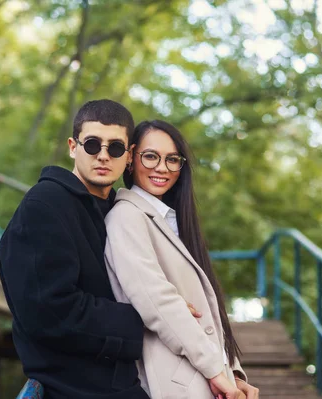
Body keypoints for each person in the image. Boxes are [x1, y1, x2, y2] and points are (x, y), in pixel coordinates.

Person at [0, 100, 151, 399]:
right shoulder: (44, 204)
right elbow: (50, 312)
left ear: (129, 155)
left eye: (115, 148)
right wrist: (148, 322)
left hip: (124, 380)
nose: (103, 156)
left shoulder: (120, 211)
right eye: (92, 145)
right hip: (69, 388)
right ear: (73, 147)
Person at [104, 120, 260, 399]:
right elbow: (157, 301)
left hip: (207, 375)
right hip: (177, 378)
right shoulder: (126, 217)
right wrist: (216, 371)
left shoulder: (173, 221)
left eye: (172, 159)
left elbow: (207, 308)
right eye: (150, 156)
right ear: (130, 158)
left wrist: (232, 373)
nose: (162, 168)